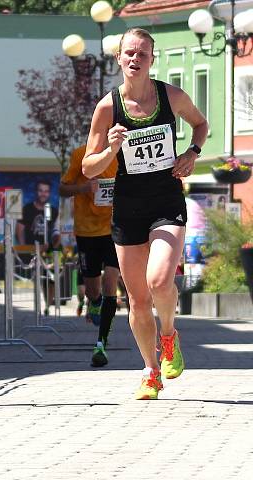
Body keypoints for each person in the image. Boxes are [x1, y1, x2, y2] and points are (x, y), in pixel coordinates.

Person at [83, 28, 208, 400]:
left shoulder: (171, 96)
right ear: (118, 59)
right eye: (129, 53)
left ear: (152, 59)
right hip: (128, 207)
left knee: (158, 281)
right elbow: (90, 167)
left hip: (167, 201)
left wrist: (191, 153)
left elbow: (200, 125)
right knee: (137, 300)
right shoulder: (108, 107)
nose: (135, 58)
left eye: (143, 53)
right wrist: (111, 148)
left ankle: (168, 336)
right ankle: (150, 371)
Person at [61, 144, 121, 367]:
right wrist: (85, 188)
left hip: (115, 228)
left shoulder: (122, 153)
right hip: (87, 231)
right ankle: (94, 301)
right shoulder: (80, 155)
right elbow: (63, 189)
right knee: (94, 289)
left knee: (110, 282)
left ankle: (101, 343)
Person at [16, 180, 59, 248]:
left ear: (49, 193)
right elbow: (19, 230)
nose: (43, 194)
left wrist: (53, 248)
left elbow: (57, 232)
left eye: (46, 191)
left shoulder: (54, 211)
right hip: (30, 250)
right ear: (36, 191)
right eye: (40, 191)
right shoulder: (27, 209)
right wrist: (24, 249)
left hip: (47, 251)